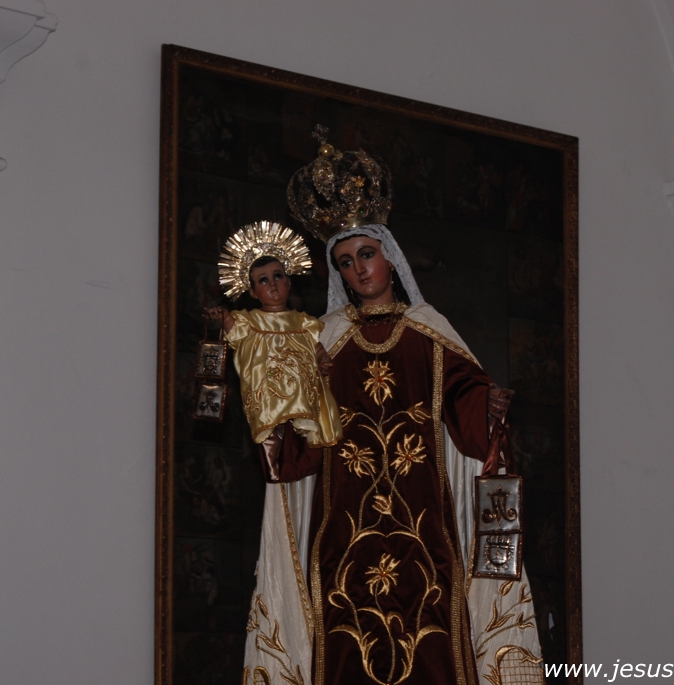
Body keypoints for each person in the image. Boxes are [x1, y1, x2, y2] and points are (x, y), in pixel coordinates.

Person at [241, 134, 544, 685]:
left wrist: (488, 405)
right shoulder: (325, 341)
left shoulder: (429, 331)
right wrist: (291, 405)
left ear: (388, 255)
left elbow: (467, 416)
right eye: (345, 262)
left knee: (435, 639)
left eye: (366, 254)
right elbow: (298, 447)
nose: (359, 270)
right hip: (342, 537)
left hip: (427, 534)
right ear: (337, 273)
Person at [207, 221, 341, 450]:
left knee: (301, 452)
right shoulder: (248, 321)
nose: (273, 284)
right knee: (274, 451)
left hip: (302, 398)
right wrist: (224, 317)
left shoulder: (303, 322)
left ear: (289, 281)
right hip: (269, 402)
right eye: (263, 280)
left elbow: (315, 345)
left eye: (277, 276)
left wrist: (322, 358)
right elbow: (235, 333)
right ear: (252, 292)